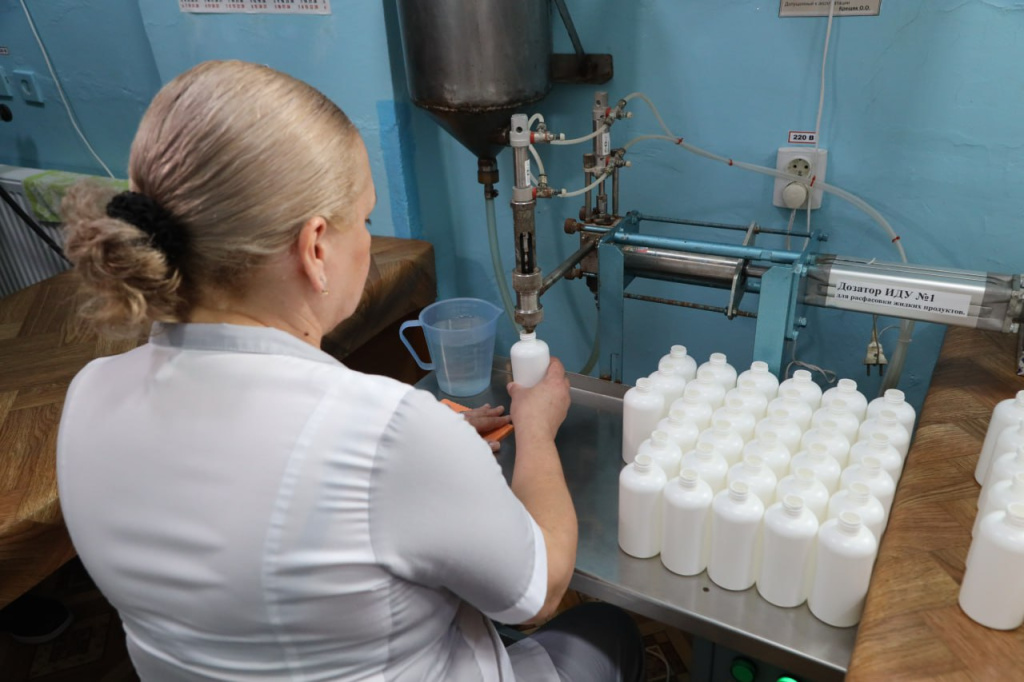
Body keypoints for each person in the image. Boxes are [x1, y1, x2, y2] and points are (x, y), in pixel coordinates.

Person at [56, 60, 643, 681]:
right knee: (605, 633)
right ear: (315, 248)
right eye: (363, 219)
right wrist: (538, 430)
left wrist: (433, 448)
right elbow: (540, 592)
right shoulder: (386, 433)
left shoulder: (89, 394)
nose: (367, 238)